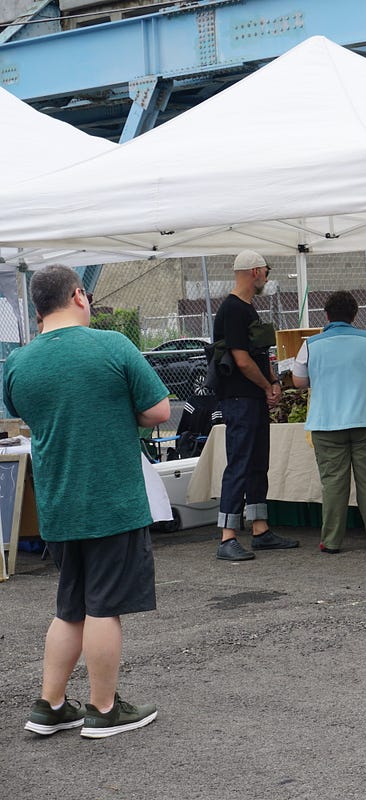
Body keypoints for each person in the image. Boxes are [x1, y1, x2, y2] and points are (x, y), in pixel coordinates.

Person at [6, 265, 170, 739]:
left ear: (37, 309)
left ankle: (50, 704)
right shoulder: (112, 346)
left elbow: (24, 412)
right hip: (111, 499)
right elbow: (159, 410)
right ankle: (103, 709)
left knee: (70, 607)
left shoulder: (19, 362)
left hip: (58, 503)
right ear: (79, 295)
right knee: (104, 608)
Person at [291, 291, 366, 554]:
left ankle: (332, 540)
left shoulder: (311, 345)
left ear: (326, 315)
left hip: (327, 424)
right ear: (354, 315)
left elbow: (299, 382)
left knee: (334, 483)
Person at [211, 250, 297, 561]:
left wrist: (272, 384)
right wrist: (267, 386)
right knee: (240, 462)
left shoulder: (247, 308)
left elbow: (259, 355)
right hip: (239, 397)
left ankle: (260, 529)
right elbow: (242, 360)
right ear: (256, 272)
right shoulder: (234, 310)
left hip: (252, 397)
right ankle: (227, 536)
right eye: (266, 271)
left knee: (257, 461)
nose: (267, 277)